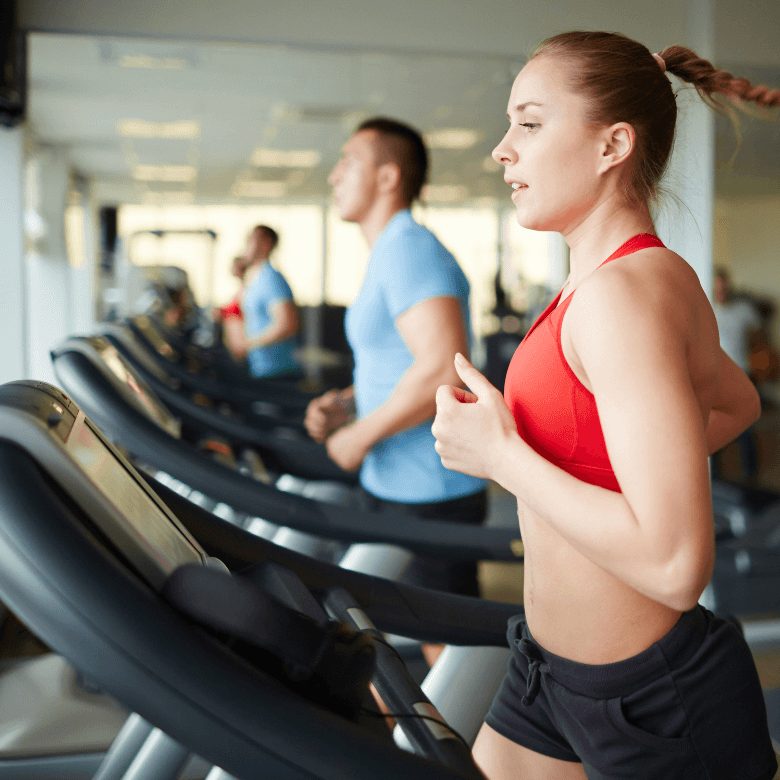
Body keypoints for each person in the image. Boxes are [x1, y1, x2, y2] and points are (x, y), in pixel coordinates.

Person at [430, 32, 778, 779]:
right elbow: (738, 401)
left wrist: (503, 458)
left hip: (653, 704)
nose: (502, 150)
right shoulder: (614, 283)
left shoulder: (621, 297)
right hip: (550, 674)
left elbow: (676, 564)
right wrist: (618, 465)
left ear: (612, 145)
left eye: (529, 122)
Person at [305, 117, 486, 596]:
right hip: (398, 483)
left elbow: (444, 368)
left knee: (445, 649)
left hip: (428, 490)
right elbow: (404, 362)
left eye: (349, 162)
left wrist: (358, 436)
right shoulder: (391, 250)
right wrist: (349, 403)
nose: (334, 175)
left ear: (387, 178)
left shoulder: (408, 249)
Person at [712, 267, 762, 479]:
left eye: (724, 286)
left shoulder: (744, 310)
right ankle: (715, 478)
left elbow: (759, 336)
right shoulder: (706, 308)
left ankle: (751, 477)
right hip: (715, 377)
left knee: (746, 429)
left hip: (743, 374)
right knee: (714, 427)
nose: (721, 290)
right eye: (718, 286)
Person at [236, 225, 300, 378]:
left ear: (266, 244)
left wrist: (248, 344)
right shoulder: (254, 279)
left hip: (276, 372)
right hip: (259, 368)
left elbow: (287, 325)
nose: (246, 244)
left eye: (252, 239)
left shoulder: (271, 279)